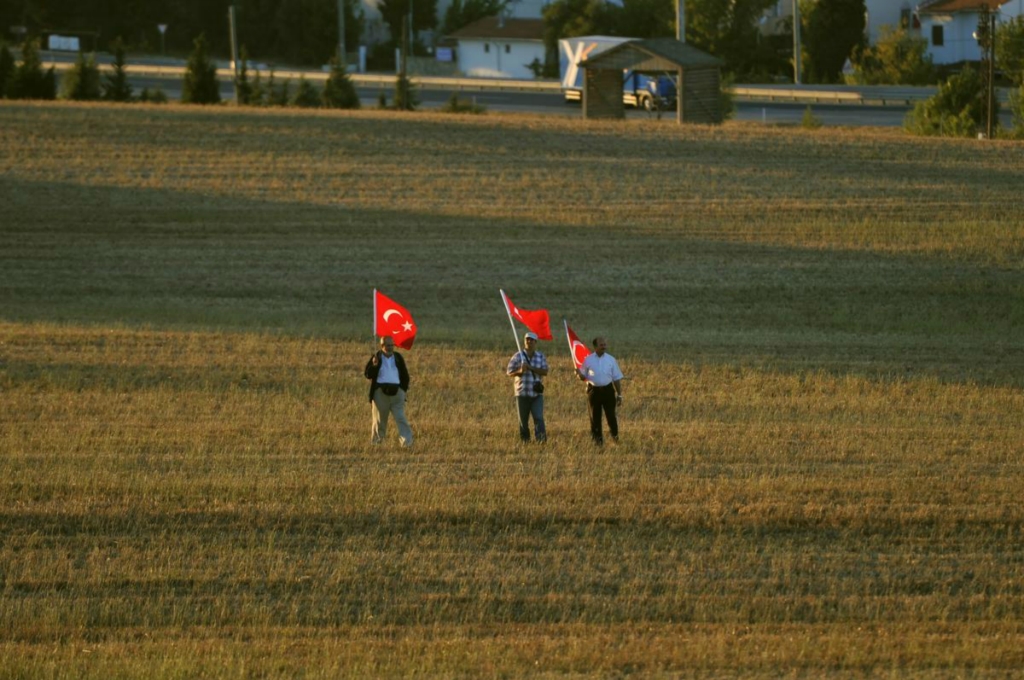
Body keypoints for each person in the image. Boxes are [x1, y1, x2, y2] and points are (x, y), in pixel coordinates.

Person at [364, 335, 413, 446]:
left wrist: (402, 391)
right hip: (380, 394)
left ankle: (407, 443)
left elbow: (405, 376)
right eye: (388, 345)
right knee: (379, 421)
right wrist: (374, 365)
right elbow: (368, 374)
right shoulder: (376, 357)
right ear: (382, 346)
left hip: (397, 394)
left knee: (401, 418)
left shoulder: (398, 358)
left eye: (392, 345)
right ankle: (377, 444)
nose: (391, 347)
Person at [576, 336, 624, 445]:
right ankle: (598, 442)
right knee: (595, 417)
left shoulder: (611, 360)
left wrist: (619, 394)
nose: (604, 347)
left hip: (608, 390)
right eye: (601, 345)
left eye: (604, 345)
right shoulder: (588, 360)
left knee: (611, 416)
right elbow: (583, 377)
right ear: (595, 347)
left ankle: (615, 437)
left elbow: (616, 378)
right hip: (593, 391)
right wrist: (579, 374)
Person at [506, 331, 549, 443]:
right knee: (523, 421)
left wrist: (530, 368)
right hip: (522, 393)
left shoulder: (540, 356)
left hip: (536, 394)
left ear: (535, 342)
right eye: (527, 339)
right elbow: (509, 372)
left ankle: (541, 441)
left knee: (538, 418)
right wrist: (520, 371)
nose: (529, 341)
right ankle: (525, 442)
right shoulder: (517, 356)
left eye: (531, 340)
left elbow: (545, 371)